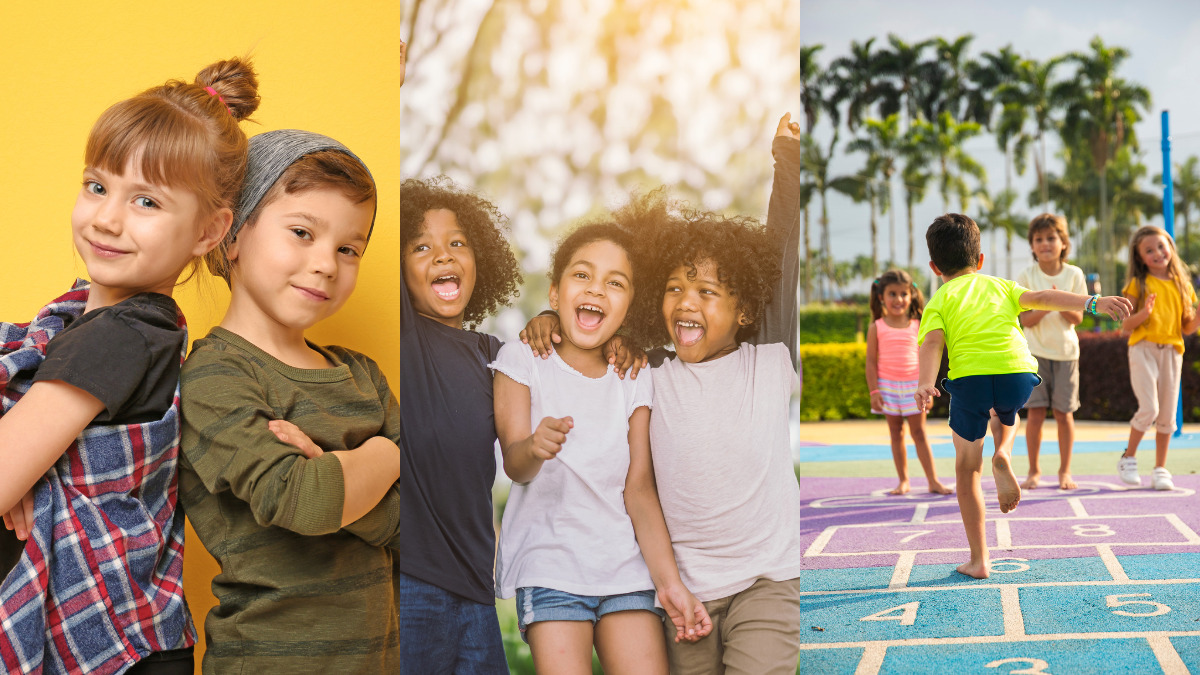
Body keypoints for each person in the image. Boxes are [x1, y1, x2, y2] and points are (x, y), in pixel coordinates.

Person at [0, 58, 257, 674]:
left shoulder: (122, 337)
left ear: (209, 230)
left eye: (145, 200)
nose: (107, 219)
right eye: (97, 186)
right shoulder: (81, 322)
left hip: (104, 649)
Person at [179, 130, 404, 672]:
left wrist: (335, 472)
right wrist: (389, 457)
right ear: (232, 236)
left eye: (349, 249)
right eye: (302, 232)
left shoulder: (362, 376)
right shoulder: (214, 376)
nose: (327, 263)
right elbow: (303, 501)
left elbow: (416, 525)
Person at [492, 223, 711, 673]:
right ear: (554, 293)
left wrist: (671, 586)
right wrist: (534, 447)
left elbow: (640, 491)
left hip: (626, 571)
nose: (597, 289)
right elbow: (516, 465)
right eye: (582, 276)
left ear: (630, 306)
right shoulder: (521, 359)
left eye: (616, 283)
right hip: (550, 569)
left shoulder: (634, 375)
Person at [914, 213, 1132, 579]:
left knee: (967, 469)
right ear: (980, 261)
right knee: (1008, 413)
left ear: (935, 267)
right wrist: (1094, 302)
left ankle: (979, 560)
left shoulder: (938, 301)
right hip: (1017, 371)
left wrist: (925, 382)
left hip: (970, 378)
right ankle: (1004, 451)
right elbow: (1045, 297)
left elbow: (933, 343)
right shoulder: (1000, 285)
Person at [1117, 225, 1200, 490]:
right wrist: (1145, 314)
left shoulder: (1183, 285)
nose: (1157, 253)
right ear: (1140, 258)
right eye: (1149, 250)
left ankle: (1160, 468)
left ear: (1171, 248)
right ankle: (1128, 457)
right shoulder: (1137, 283)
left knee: (1166, 415)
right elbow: (1126, 324)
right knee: (1149, 408)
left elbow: (1187, 327)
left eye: (1161, 246)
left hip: (1172, 352)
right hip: (1143, 348)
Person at [1016, 214, 1087, 491]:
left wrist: (1058, 300)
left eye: (1051, 238)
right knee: (1034, 414)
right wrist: (1046, 302)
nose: (1045, 243)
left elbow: (1077, 318)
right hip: (1033, 355)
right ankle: (1034, 471)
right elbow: (1026, 320)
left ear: (1063, 242)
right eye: (1039, 239)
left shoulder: (1074, 274)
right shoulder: (1027, 276)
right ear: (1032, 245)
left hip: (1067, 354)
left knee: (1063, 414)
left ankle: (1064, 472)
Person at [866, 269, 951, 496]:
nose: (898, 299)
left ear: (911, 295)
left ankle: (933, 481)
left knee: (920, 433)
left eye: (903, 294)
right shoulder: (876, 327)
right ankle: (903, 481)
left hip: (915, 387)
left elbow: (929, 356)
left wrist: (928, 388)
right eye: (892, 294)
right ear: (881, 296)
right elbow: (871, 363)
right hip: (888, 388)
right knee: (895, 433)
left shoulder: (918, 324)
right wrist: (874, 391)